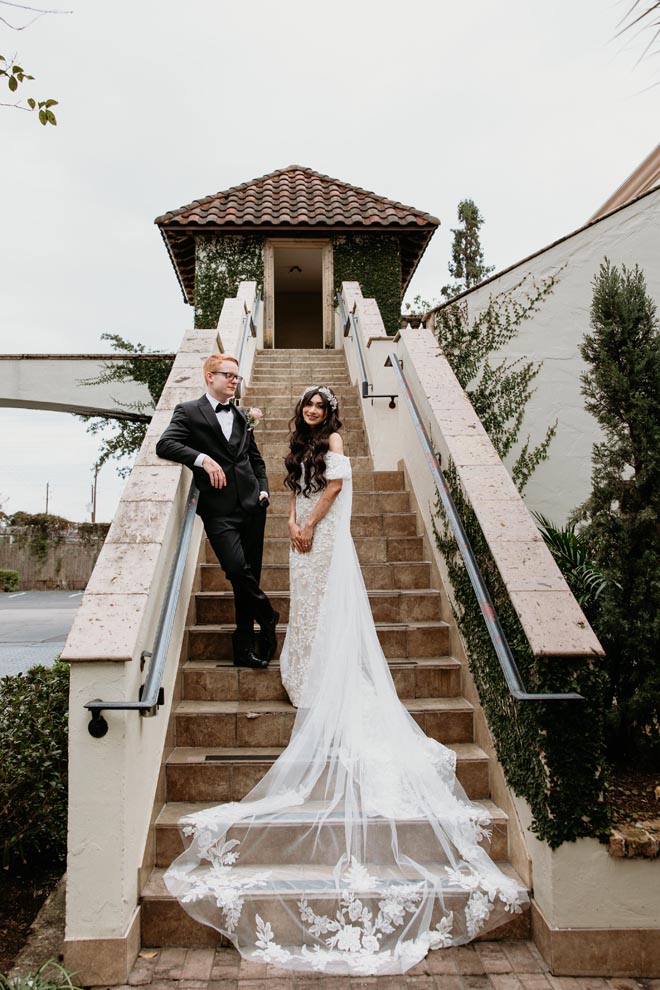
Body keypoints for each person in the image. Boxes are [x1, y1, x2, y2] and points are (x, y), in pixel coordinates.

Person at [164, 385, 528, 977]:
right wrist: (289, 518)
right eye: (306, 405)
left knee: (326, 602)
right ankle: (305, 667)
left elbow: (333, 487)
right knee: (304, 604)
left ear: (330, 412)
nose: (312, 411)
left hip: (326, 532)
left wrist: (309, 524)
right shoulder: (298, 442)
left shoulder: (334, 441)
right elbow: (293, 486)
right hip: (302, 527)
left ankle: (331, 675)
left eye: (318, 406)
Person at [155, 354, 279, 668]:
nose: (235, 380)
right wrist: (202, 459)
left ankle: (244, 647)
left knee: (247, 576)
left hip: (253, 505)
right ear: (210, 376)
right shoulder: (189, 411)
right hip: (218, 510)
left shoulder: (240, 415)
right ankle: (267, 614)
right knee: (236, 569)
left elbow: (254, 458)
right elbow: (165, 444)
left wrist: (264, 487)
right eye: (229, 375)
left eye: (237, 376)